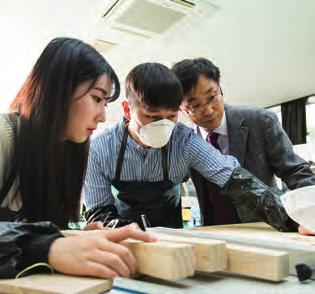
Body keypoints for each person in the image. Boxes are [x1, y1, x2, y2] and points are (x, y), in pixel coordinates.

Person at [0, 37, 156, 279]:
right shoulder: (4, 135)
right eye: (96, 98)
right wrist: (51, 246)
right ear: (56, 90)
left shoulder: (65, 151)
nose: (103, 116)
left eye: (105, 103)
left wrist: (75, 239)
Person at [84, 62, 297, 233]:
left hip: (173, 233)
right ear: (127, 110)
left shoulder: (184, 141)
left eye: (171, 116)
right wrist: (127, 232)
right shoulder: (100, 149)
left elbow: (237, 180)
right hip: (124, 236)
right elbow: (100, 212)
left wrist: (294, 220)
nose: (164, 125)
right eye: (152, 117)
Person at [171, 57, 315, 233]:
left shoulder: (260, 121)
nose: (208, 110)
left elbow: (294, 171)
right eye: (195, 106)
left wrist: (309, 212)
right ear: (180, 109)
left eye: (212, 97)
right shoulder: (185, 140)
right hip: (212, 231)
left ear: (220, 89)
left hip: (262, 227)